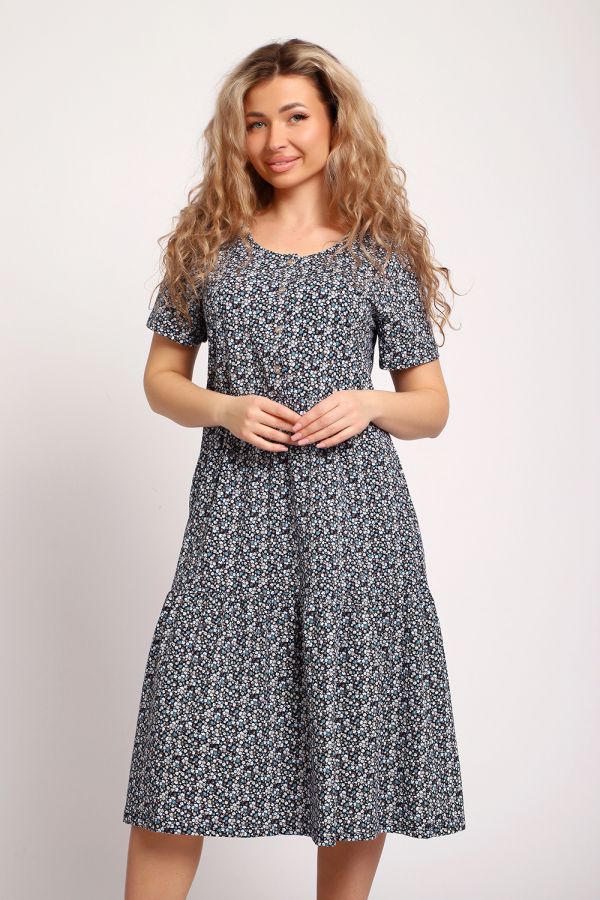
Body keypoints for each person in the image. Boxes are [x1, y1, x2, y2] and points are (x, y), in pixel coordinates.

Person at [122, 37, 466, 900]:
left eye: (295, 116)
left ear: (336, 123)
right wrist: (224, 408)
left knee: (356, 753)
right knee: (179, 758)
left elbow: (431, 406)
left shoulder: (380, 253)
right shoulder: (207, 246)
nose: (275, 139)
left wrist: (370, 403)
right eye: (255, 123)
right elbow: (161, 381)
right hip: (233, 525)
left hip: (356, 528)